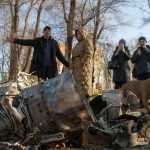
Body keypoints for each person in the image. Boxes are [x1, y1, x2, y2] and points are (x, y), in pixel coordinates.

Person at [72, 27, 94, 97]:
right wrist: (72, 65)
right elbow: (73, 58)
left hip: (84, 69)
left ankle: (87, 105)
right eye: (76, 35)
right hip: (76, 70)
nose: (76, 36)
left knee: (84, 89)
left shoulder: (87, 41)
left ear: (82, 33)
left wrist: (81, 62)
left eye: (78, 34)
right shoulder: (76, 46)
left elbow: (89, 54)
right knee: (77, 92)